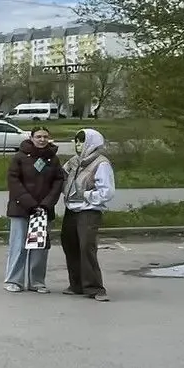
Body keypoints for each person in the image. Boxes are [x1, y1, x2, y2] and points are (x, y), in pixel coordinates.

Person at [4, 127, 65, 292]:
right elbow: (14, 181)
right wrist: (30, 203)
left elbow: (58, 182)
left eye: (45, 137)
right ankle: (14, 281)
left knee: (39, 247)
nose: (42, 140)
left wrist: (46, 204)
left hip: (43, 211)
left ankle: (36, 282)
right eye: (38, 136)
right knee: (19, 246)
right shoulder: (19, 157)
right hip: (21, 209)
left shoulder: (53, 159)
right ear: (31, 138)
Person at [62, 128, 116, 302]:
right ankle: (76, 284)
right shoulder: (74, 161)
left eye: (82, 141)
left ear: (92, 143)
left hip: (89, 210)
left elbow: (107, 192)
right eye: (76, 141)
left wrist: (86, 195)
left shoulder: (101, 163)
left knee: (86, 247)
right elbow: (62, 177)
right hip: (71, 209)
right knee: (70, 245)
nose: (78, 145)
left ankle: (95, 288)